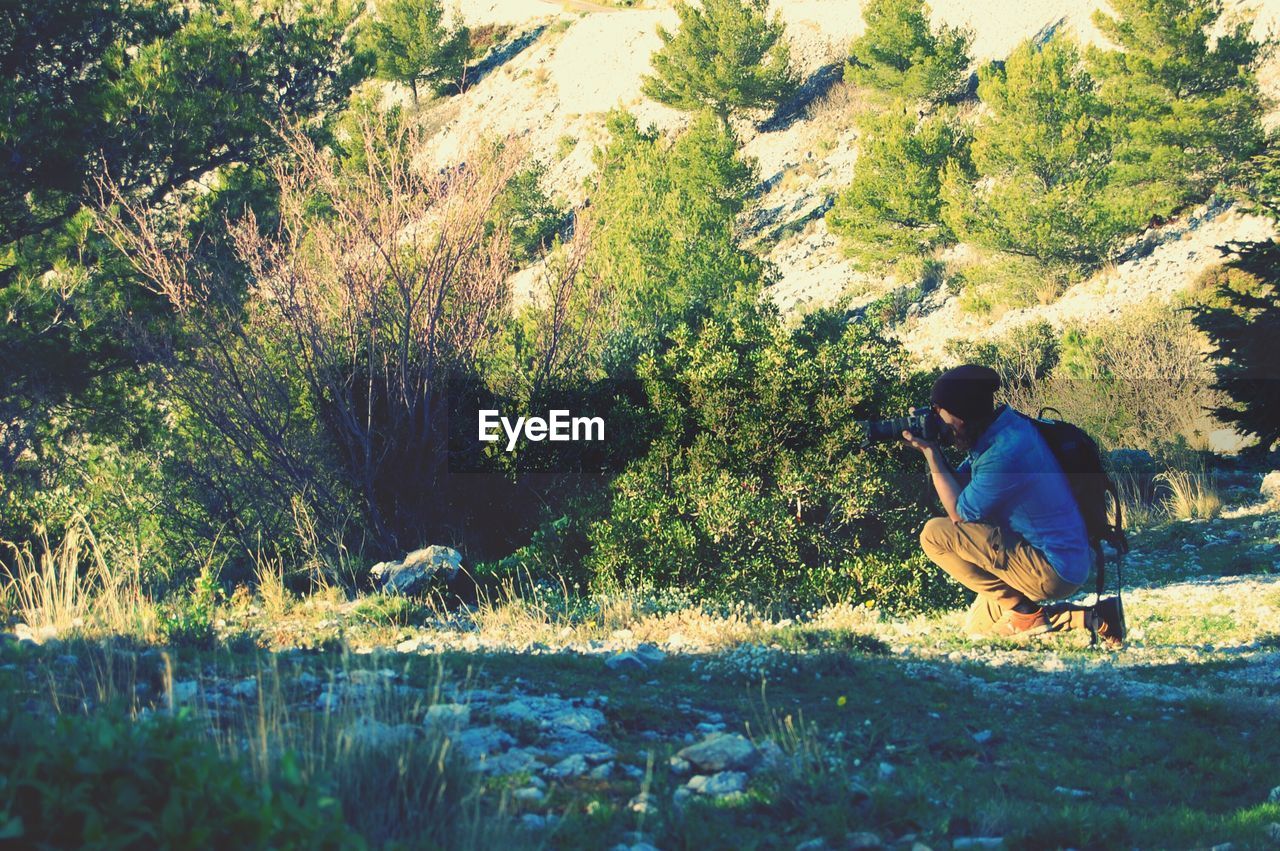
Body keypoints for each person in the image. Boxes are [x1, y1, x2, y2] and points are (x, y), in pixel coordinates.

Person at [902, 364, 1115, 639]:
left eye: (939, 413)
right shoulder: (1007, 429)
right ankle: (1095, 617)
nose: (938, 421)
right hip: (1055, 555)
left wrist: (931, 453)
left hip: (1052, 567)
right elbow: (963, 484)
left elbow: (958, 514)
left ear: (962, 416)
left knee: (934, 534)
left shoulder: (1005, 454)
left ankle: (1026, 613)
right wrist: (931, 441)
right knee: (979, 632)